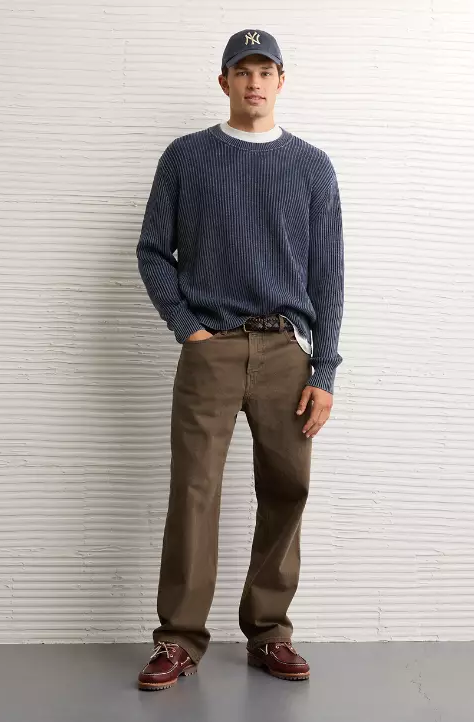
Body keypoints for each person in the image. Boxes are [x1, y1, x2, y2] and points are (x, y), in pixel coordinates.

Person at [135, 28, 344, 691]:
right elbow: (152, 251)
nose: (254, 82)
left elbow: (328, 276)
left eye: (265, 70)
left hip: (287, 352)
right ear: (223, 81)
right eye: (241, 70)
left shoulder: (311, 167)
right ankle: (178, 640)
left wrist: (324, 372)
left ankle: (269, 632)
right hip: (211, 350)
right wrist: (187, 328)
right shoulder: (186, 157)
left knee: (287, 489)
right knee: (194, 492)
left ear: (281, 80)